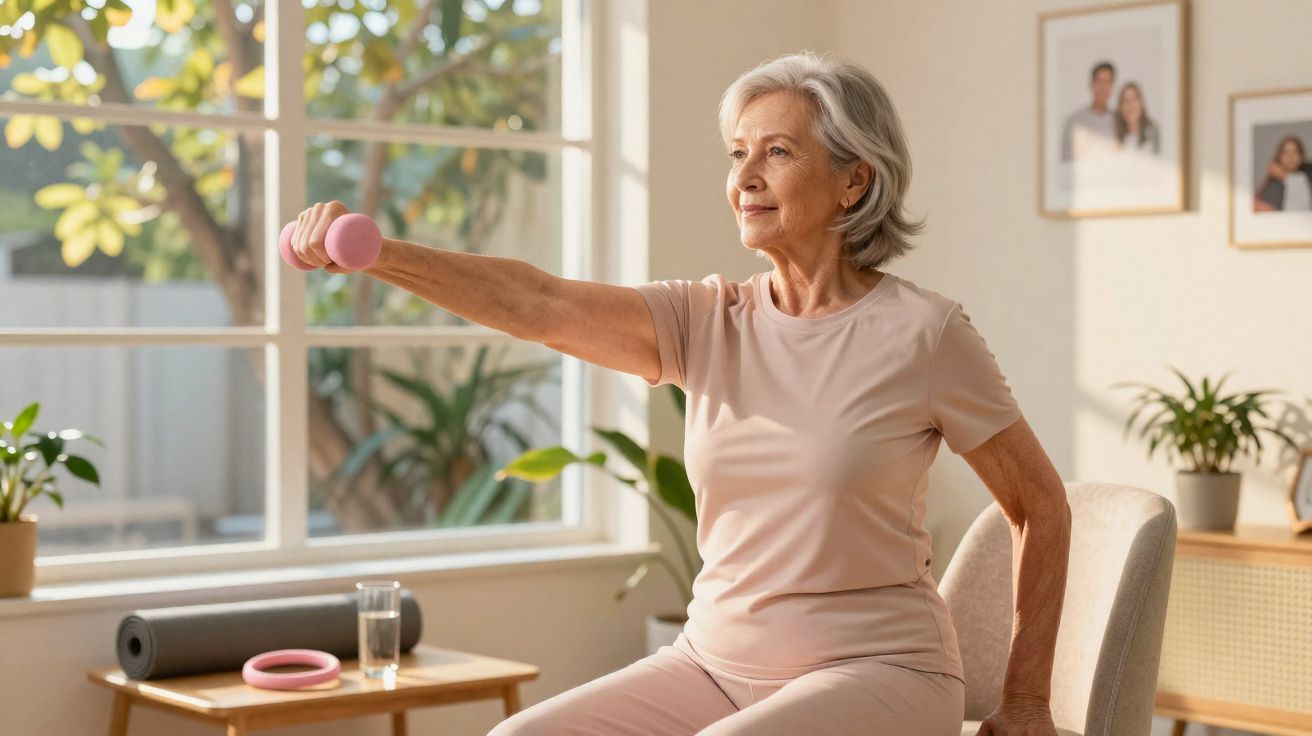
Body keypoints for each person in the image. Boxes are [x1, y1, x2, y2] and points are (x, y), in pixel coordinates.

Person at [289, 50, 1071, 736]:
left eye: (776, 152)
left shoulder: (922, 334)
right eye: (737, 154)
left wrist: (1028, 698)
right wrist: (380, 256)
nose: (744, 179)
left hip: (883, 672)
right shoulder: (707, 320)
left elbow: (1039, 503)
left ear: (853, 180)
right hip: (713, 663)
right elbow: (540, 303)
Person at [1060, 60, 1118, 162]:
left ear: (1112, 86)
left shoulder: (1120, 122)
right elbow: (1067, 165)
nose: (1103, 87)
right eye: (1099, 81)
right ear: (1091, 85)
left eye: (1107, 82)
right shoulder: (1074, 122)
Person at [1254, 135, 1312, 212]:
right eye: (1285, 152)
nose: (1290, 157)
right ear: (1279, 156)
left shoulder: (1306, 176)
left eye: (1295, 152)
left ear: (1301, 156)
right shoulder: (1274, 183)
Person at [1114, 81, 1160, 155]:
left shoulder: (1152, 132)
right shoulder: (1114, 135)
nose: (1130, 105)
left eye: (1134, 99)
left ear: (1141, 103)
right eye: (1126, 100)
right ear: (1120, 107)